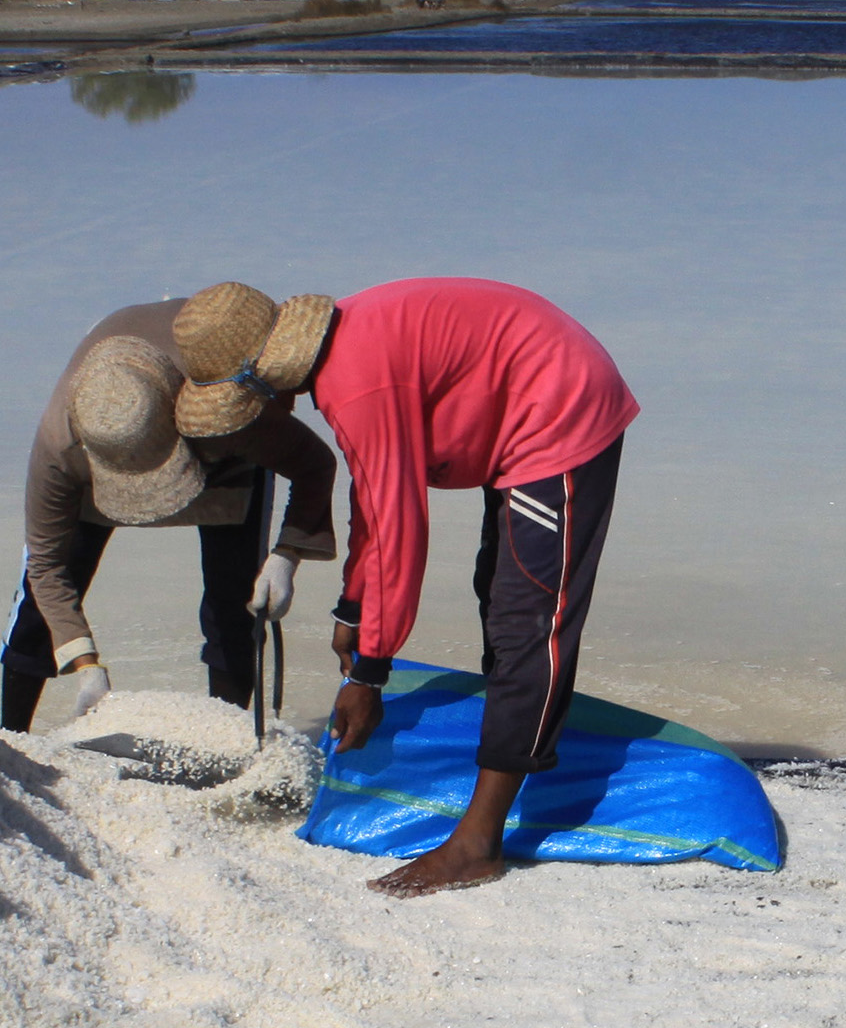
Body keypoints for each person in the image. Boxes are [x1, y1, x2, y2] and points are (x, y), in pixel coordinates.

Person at [190, 277, 639, 897]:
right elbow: (373, 498)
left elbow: (402, 532)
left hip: (557, 406)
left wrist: (371, 671)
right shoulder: (341, 358)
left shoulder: (357, 384)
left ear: (264, 385)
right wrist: (353, 607)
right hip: (508, 405)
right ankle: (504, 752)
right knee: (497, 588)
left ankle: (478, 842)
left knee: (529, 614)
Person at [0, 283, 337, 735]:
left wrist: (286, 555)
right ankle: (9, 739)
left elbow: (314, 464)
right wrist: (83, 662)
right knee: (45, 605)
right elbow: (45, 565)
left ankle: (226, 738)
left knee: (236, 602)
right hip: (100, 451)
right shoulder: (61, 447)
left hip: (215, 444)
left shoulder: (226, 409)